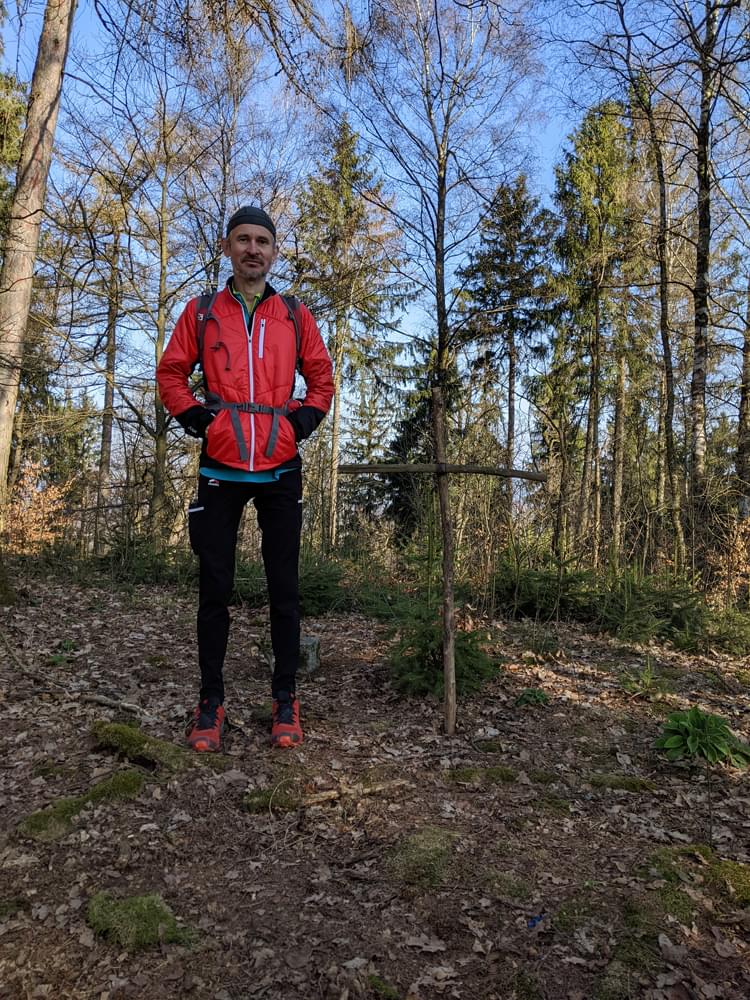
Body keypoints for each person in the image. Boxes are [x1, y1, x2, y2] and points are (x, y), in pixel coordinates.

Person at [156, 205, 333, 752]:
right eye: (243, 240)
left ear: (274, 251)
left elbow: (322, 376)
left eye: (262, 241)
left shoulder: (294, 313)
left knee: (284, 589)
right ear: (228, 248)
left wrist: (301, 422)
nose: (253, 249)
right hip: (220, 467)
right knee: (215, 588)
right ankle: (210, 702)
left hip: (280, 468)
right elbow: (171, 372)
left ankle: (285, 698)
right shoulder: (202, 312)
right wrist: (196, 419)